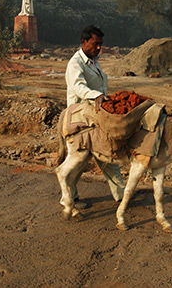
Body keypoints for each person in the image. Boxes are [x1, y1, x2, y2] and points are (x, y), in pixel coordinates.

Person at [65, 25, 125, 207]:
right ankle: (70, 198)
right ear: (84, 42)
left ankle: (122, 195)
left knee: (107, 156)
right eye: (95, 44)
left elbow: (99, 85)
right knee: (79, 162)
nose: (99, 48)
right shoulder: (75, 63)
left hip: (95, 117)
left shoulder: (93, 61)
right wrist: (96, 95)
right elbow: (78, 86)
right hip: (79, 120)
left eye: (101, 44)